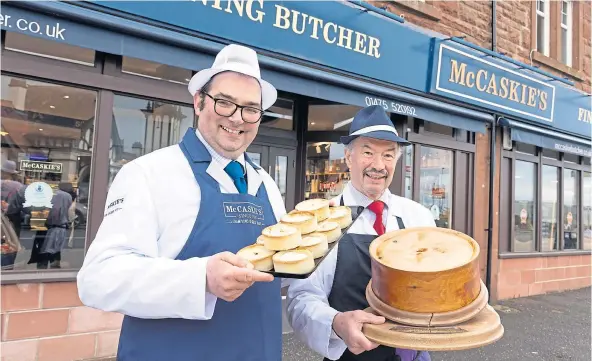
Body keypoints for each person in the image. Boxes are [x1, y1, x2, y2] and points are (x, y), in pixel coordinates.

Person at [77, 44, 287, 361]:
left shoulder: (267, 184)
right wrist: (201, 278)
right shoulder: (148, 174)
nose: (237, 118)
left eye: (250, 109)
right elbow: (99, 279)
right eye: (224, 103)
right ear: (199, 102)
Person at [285, 105, 435, 361]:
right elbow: (301, 300)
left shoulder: (418, 217)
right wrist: (336, 322)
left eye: (388, 155)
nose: (378, 165)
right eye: (368, 152)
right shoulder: (322, 222)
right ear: (347, 157)